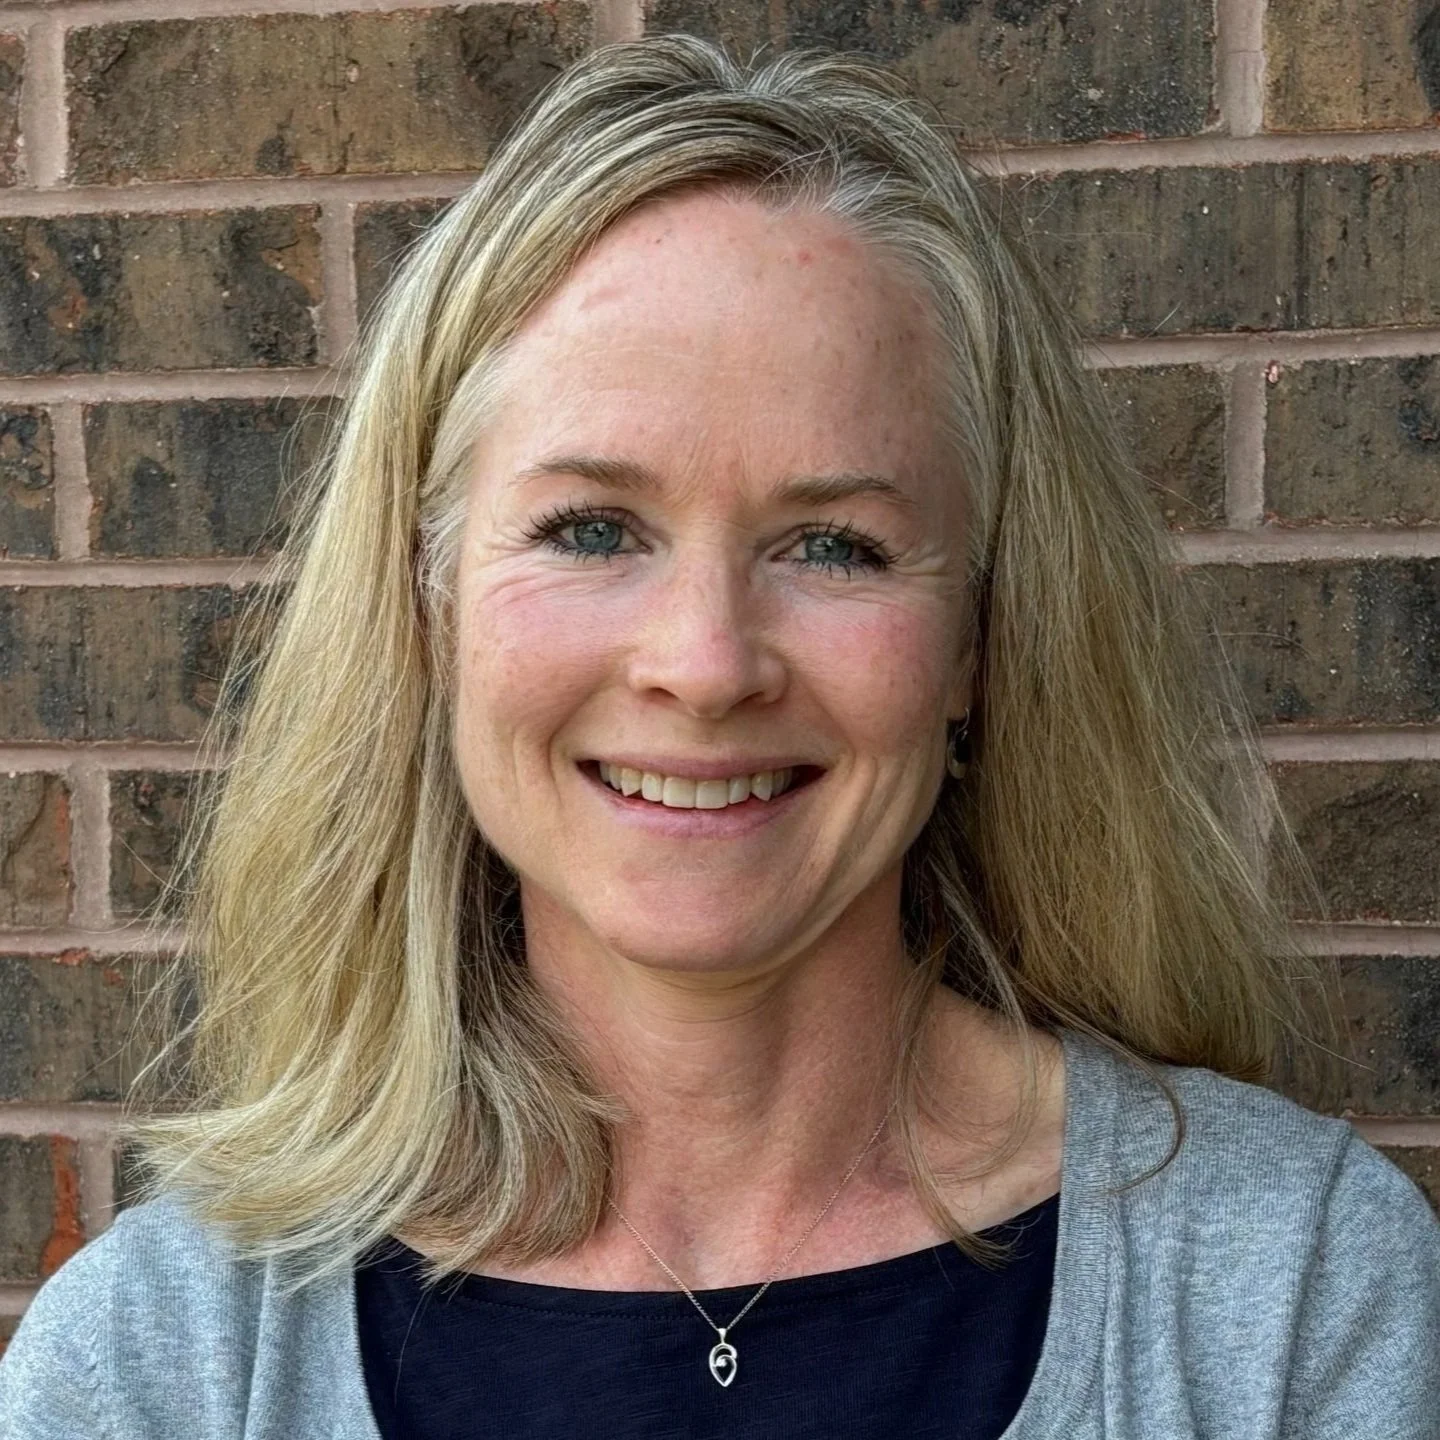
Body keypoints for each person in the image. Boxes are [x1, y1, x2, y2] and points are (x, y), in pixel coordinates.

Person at [2, 34, 1437, 1440]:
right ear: (426, 606)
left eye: (835, 544)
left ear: (981, 640)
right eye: (589, 529)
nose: (704, 663)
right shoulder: (168, 1359)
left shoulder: (1289, 1288)